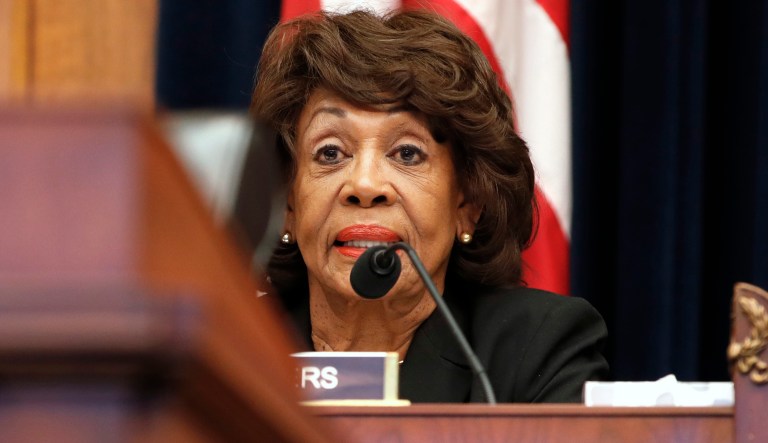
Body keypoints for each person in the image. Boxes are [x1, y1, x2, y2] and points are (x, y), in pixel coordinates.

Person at [250, 8, 608, 403]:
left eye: (406, 153)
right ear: (287, 203)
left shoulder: (533, 348)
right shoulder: (235, 344)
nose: (364, 185)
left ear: (468, 205)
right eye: (331, 152)